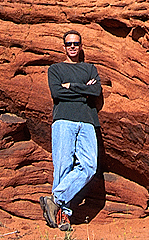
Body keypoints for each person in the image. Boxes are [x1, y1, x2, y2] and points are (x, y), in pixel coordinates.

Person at [40, 30, 102, 231]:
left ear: (81, 45)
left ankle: (55, 199)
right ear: (63, 47)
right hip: (63, 121)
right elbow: (57, 93)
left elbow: (96, 91)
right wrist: (82, 89)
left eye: (76, 43)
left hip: (87, 121)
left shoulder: (89, 68)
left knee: (90, 165)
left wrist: (71, 86)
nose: (73, 46)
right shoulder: (55, 69)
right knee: (63, 166)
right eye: (69, 44)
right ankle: (63, 216)